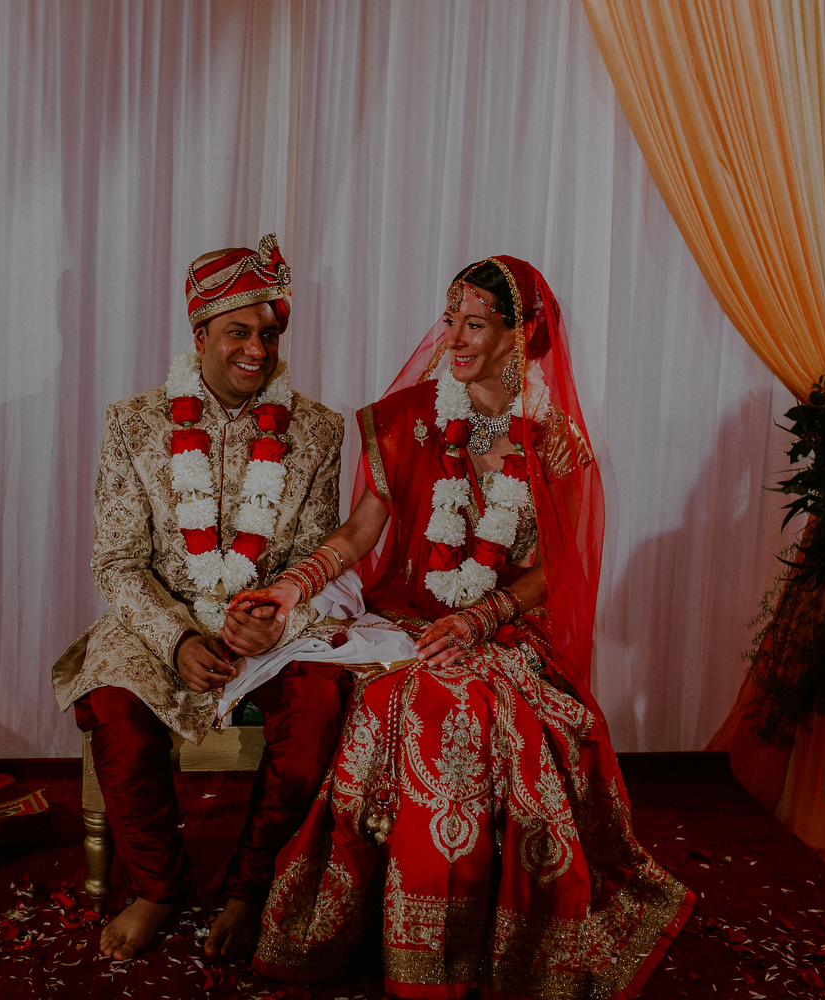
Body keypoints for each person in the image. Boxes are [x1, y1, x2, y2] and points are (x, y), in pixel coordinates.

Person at [238, 257, 694, 999]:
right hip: (411, 613)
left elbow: (560, 563)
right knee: (395, 694)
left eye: (474, 323)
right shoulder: (412, 417)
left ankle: (477, 943)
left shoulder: (556, 440)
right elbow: (359, 534)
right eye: (450, 318)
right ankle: (383, 932)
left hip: (510, 625)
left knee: (468, 705)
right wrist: (293, 585)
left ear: (522, 335)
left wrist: (482, 616)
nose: (452, 336)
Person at [49, 234, 347, 963]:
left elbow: (317, 556)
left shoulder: (318, 430)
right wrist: (177, 639)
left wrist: (272, 621)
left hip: (269, 620)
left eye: (268, 333)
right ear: (200, 335)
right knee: (115, 707)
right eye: (237, 332)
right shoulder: (135, 423)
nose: (256, 348)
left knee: (315, 709)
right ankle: (158, 886)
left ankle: (251, 886)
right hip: (159, 613)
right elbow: (116, 562)